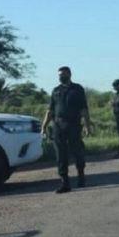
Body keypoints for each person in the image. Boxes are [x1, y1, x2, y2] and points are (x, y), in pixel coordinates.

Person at [42, 66, 93, 194]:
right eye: (59, 75)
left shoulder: (77, 89)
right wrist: (44, 126)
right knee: (60, 154)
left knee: (77, 151)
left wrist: (87, 125)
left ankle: (81, 176)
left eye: (63, 74)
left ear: (69, 74)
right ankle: (65, 183)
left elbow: (84, 109)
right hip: (58, 125)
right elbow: (50, 110)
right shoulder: (56, 91)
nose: (61, 77)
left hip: (73, 124)